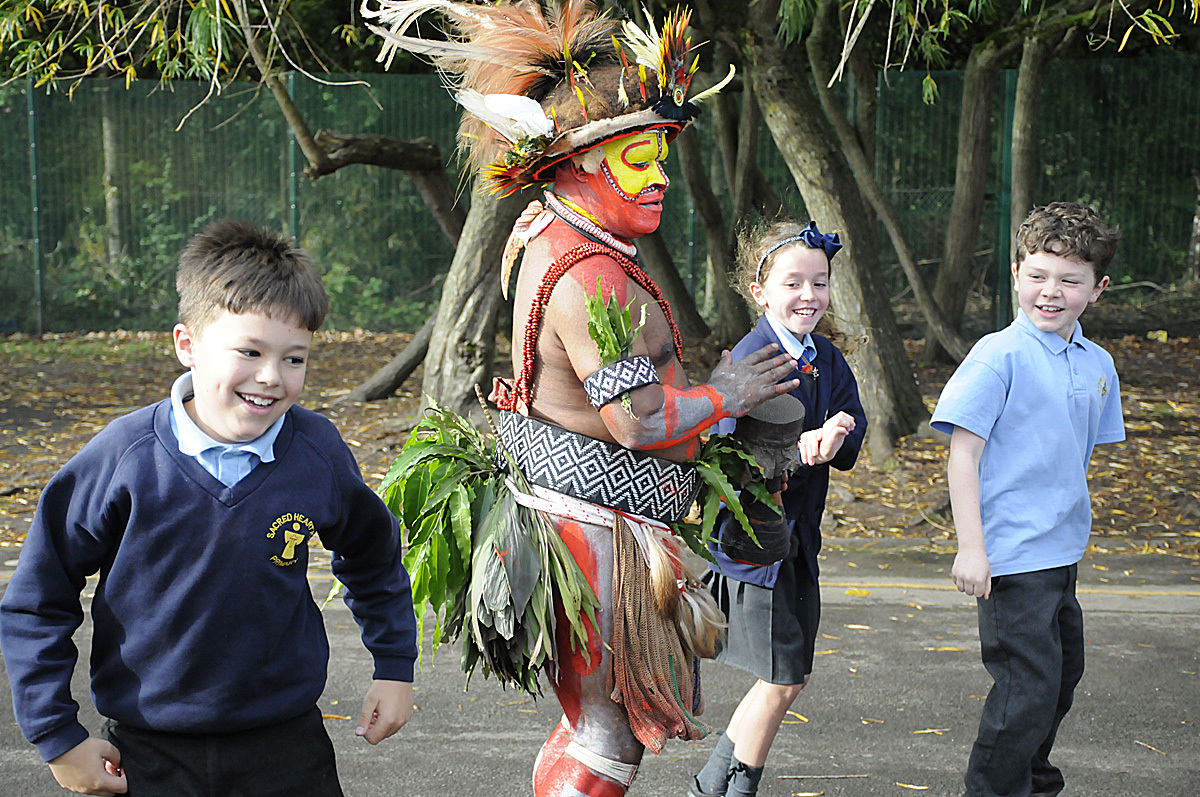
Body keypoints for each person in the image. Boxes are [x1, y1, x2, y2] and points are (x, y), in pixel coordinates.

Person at [361, 2, 797, 795]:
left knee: (586, 725)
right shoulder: (588, 270)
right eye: (637, 157)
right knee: (605, 740)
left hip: (579, 519)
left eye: (660, 153)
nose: (659, 174)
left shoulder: (546, 230)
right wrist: (726, 393)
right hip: (591, 536)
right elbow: (636, 419)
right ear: (574, 165)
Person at [0, 219, 418, 797]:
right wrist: (58, 736)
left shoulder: (316, 451)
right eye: (249, 351)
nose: (272, 377)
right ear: (186, 345)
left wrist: (394, 666)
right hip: (147, 752)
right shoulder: (123, 459)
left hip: (287, 746)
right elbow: (36, 601)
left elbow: (372, 558)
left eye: (294, 359)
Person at [930, 201, 1124, 797]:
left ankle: (1033, 782)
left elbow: (1077, 453)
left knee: (1061, 679)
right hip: (1010, 558)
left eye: (1070, 280)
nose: (1051, 291)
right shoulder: (999, 356)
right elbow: (963, 453)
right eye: (1038, 275)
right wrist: (972, 549)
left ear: (1098, 288)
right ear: (1015, 274)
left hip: (1061, 553)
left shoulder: (1098, 364)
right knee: (1025, 690)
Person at [688, 220, 867, 797]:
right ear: (760, 290)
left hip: (798, 545)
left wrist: (838, 430)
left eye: (820, 283)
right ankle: (730, 789)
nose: (809, 296)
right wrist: (796, 451)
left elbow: (850, 426)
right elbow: (720, 458)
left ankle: (711, 786)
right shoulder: (748, 361)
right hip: (755, 548)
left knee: (791, 677)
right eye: (794, 283)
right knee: (783, 679)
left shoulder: (827, 359)